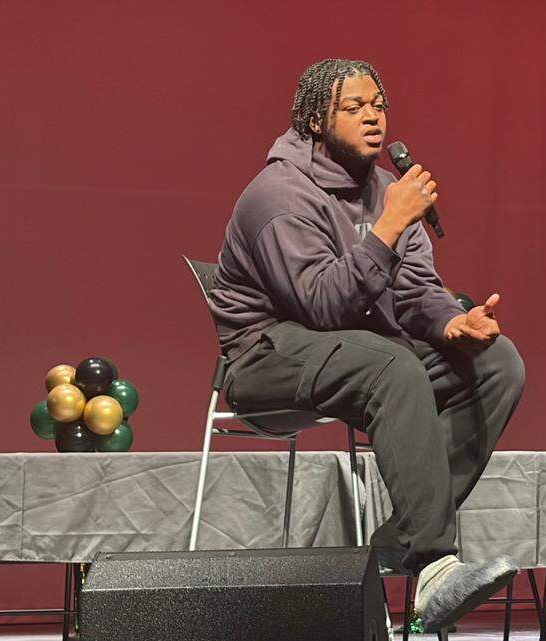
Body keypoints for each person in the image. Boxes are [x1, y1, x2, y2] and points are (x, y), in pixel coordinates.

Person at [208, 58, 524, 632]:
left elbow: (414, 291)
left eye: (378, 104)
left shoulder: (385, 190)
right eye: (352, 108)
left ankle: (395, 541)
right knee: (392, 363)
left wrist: (450, 322)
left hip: (360, 350)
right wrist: (387, 227)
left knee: (496, 363)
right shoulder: (276, 195)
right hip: (267, 354)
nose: (372, 117)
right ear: (313, 121)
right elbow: (322, 306)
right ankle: (433, 566)